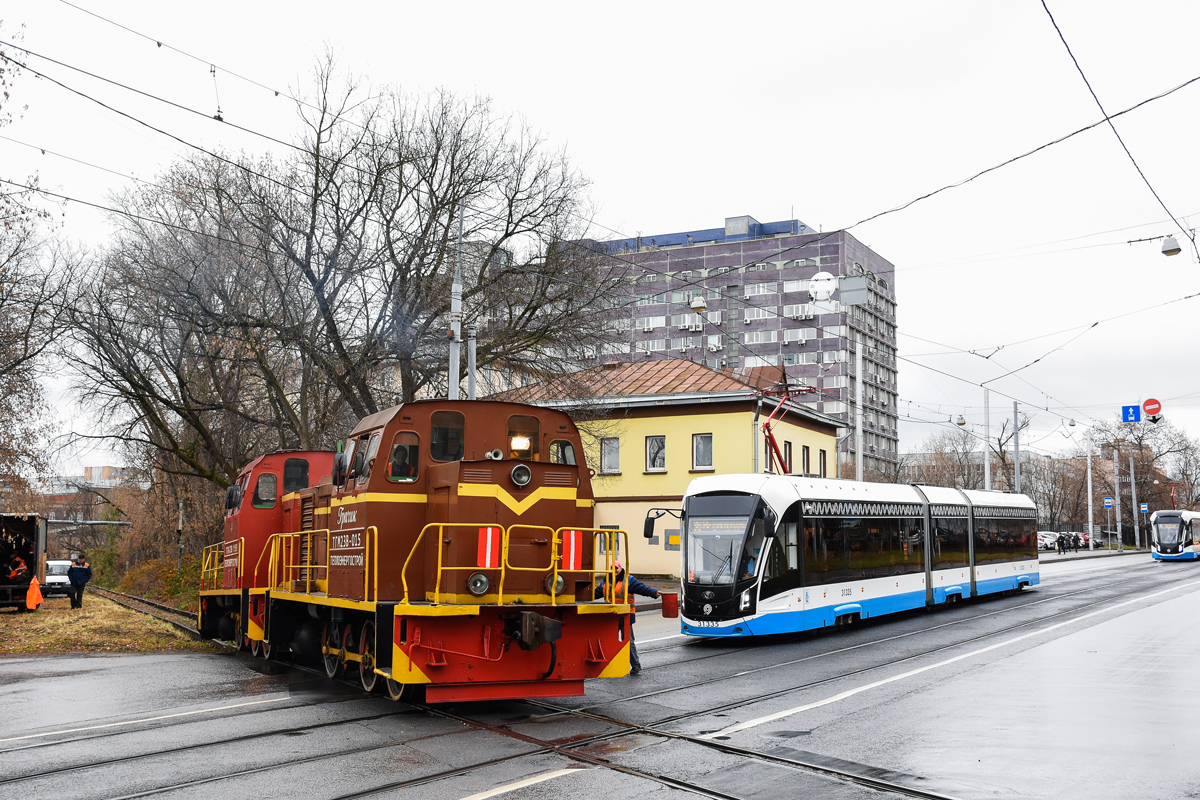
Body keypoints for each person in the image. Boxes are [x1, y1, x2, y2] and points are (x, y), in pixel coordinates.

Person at [595, 560, 659, 675]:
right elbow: (597, 592)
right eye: (612, 568)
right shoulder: (606, 581)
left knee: (628, 641)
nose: (614, 570)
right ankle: (610, 665)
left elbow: (641, 588)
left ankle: (635, 665)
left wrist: (654, 593)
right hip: (611, 616)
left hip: (625, 615)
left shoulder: (629, 580)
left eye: (616, 568)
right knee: (609, 641)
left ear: (621, 569)